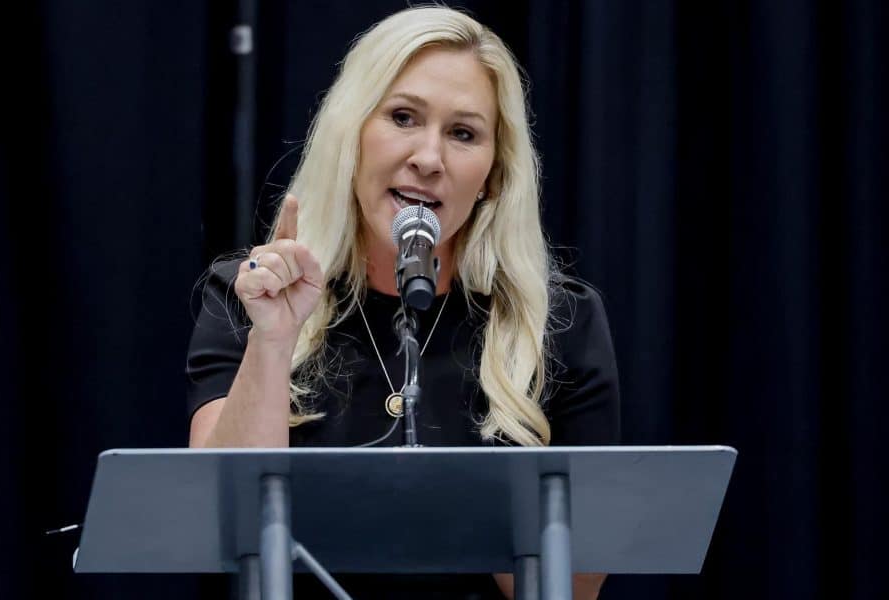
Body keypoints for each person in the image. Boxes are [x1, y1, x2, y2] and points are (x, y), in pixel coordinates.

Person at [185, 6, 619, 599]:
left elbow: (578, 584)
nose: (429, 159)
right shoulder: (251, 291)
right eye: (403, 118)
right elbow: (217, 528)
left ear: (494, 173)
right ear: (351, 133)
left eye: (463, 133)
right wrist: (273, 338)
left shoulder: (559, 321)